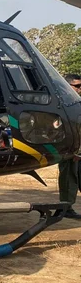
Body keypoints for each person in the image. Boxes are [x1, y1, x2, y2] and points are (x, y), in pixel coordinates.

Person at [58, 74, 81, 219]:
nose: (80, 89)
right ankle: (65, 207)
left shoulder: (76, 103)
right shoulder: (62, 103)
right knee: (69, 177)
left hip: (78, 147)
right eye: (77, 86)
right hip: (69, 148)